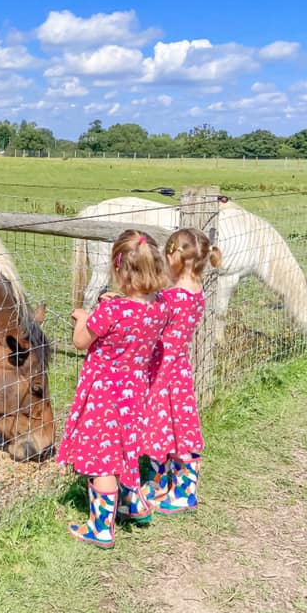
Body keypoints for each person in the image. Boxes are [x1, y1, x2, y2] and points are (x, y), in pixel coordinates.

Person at [57, 229, 171, 547]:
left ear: (120, 271)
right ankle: (131, 504)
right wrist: (113, 304)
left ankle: (100, 528)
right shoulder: (160, 308)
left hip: (104, 397)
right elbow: (133, 315)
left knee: (102, 460)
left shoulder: (111, 312)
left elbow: (81, 342)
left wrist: (84, 317)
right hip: (135, 394)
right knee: (123, 451)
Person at [140, 227, 222, 514]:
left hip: (164, 370)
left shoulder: (171, 299)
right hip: (178, 370)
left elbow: (151, 318)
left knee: (165, 426)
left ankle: (183, 492)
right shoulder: (196, 292)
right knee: (175, 426)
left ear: (176, 260)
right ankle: (162, 483)